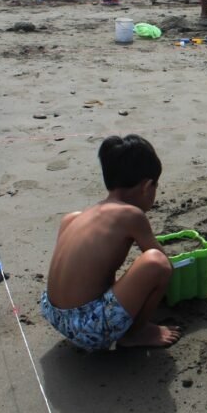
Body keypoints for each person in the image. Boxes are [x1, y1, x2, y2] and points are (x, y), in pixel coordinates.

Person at [41, 135, 181, 349]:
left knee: (70, 219)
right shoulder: (132, 215)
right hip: (88, 329)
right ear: (147, 186)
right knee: (156, 263)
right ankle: (136, 334)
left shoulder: (81, 216)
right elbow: (164, 264)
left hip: (55, 315)